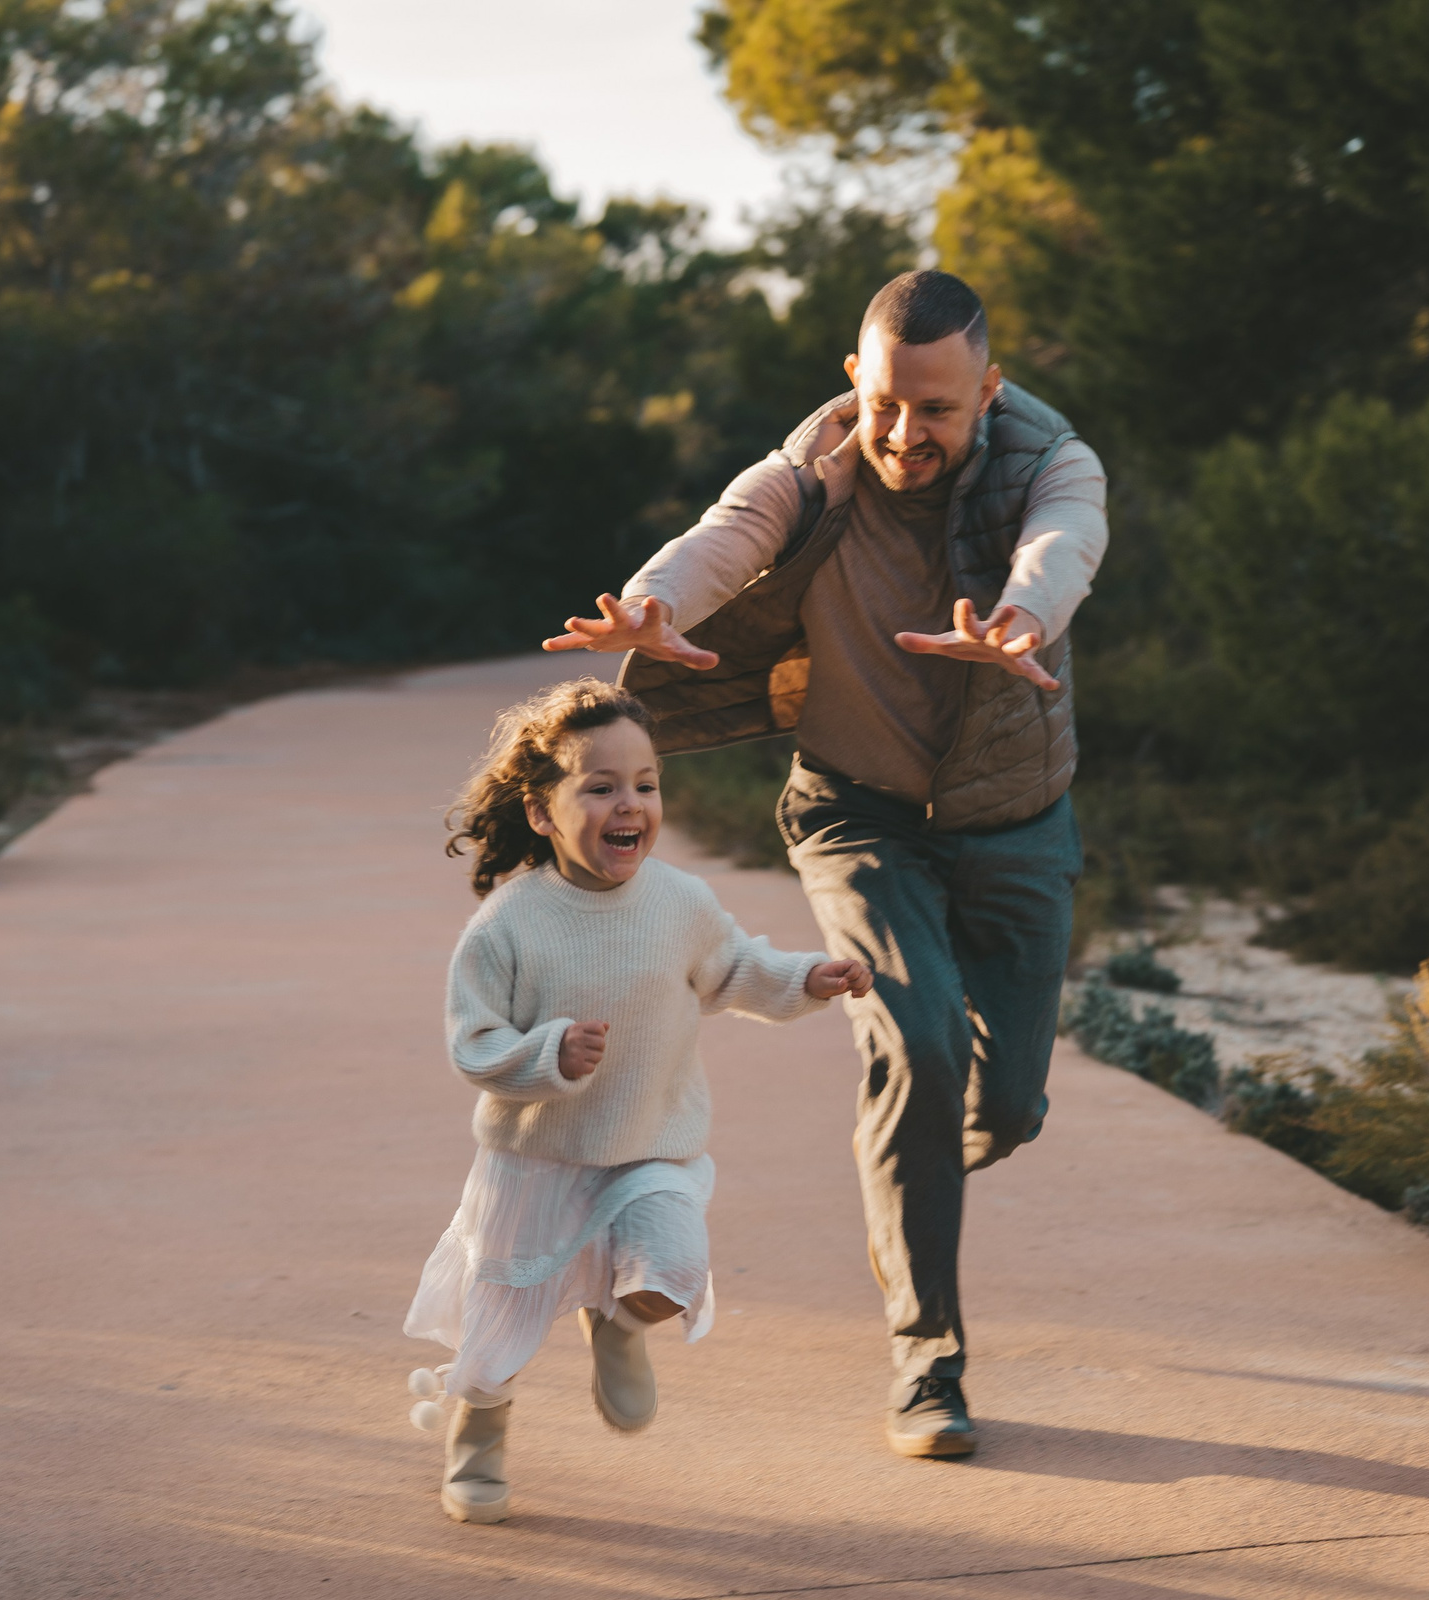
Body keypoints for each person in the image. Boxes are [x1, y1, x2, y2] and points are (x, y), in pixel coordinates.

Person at [543, 270, 1108, 1459]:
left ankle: (922, 1148)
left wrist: (1019, 614)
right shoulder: (817, 466)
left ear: (987, 392)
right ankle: (926, 1363)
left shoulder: (1052, 456)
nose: (905, 434)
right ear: (858, 378)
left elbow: (1067, 540)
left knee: (1000, 1106)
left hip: (1014, 819)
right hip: (858, 814)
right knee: (916, 1042)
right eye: (887, 403)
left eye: (938, 411)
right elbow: (729, 533)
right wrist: (651, 605)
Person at [403, 679, 873, 1523]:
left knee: (674, 1270)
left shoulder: (679, 903)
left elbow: (734, 970)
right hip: (537, 1162)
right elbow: (474, 1047)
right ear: (542, 812)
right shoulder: (508, 925)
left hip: (652, 1146)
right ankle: (476, 1438)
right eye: (601, 785)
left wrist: (809, 975)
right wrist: (546, 1053)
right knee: (495, 1341)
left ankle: (618, 1321)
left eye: (646, 784)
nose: (631, 804)